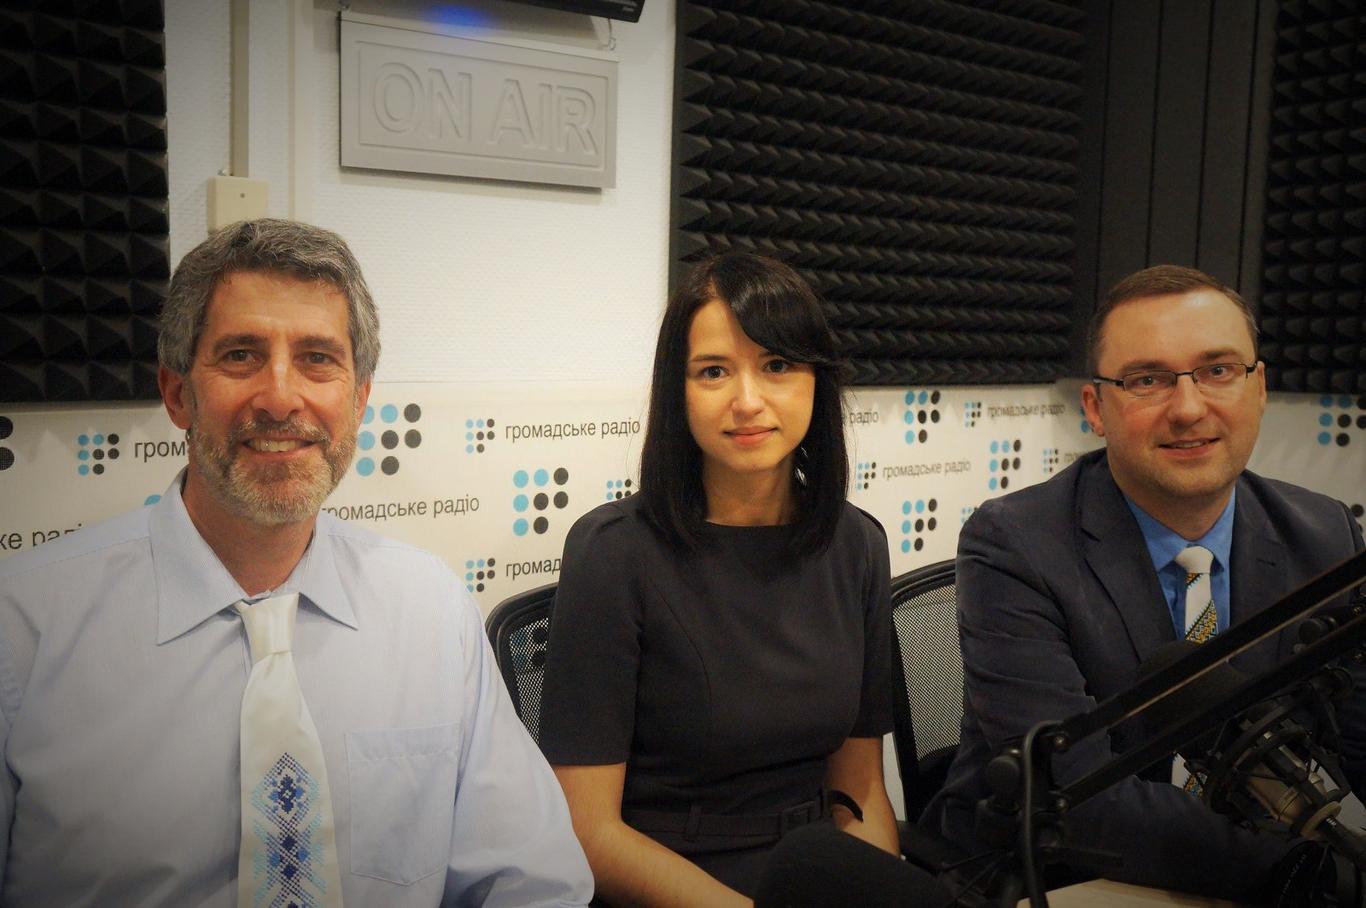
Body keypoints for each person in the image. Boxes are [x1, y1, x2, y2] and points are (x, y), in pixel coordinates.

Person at [0, 219, 593, 907]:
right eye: (241, 356)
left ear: (359, 398)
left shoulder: (432, 610)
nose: (281, 398)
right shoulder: (24, 628)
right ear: (178, 394)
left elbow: (532, 881)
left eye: (317, 359)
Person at [924, 265, 1366, 902]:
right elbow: (1075, 795)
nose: (1188, 409)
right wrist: (1306, 873)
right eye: (1147, 380)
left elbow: (1356, 735)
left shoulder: (1325, 535)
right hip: (1062, 874)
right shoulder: (1016, 544)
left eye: (1218, 370)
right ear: (1096, 408)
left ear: (1259, 387)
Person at [538, 253, 900, 907]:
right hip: (673, 884)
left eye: (777, 365)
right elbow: (588, 831)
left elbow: (861, 792)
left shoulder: (857, 546)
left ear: (816, 381)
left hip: (814, 872)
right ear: (676, 391)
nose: (748, 401)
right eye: (713, 371)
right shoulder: (613, 554)